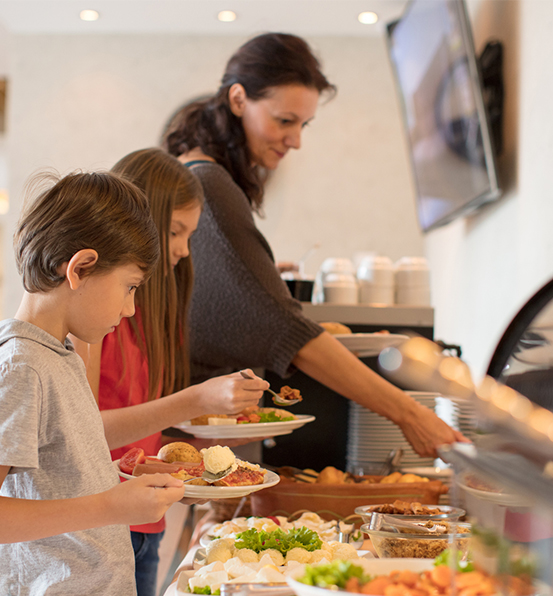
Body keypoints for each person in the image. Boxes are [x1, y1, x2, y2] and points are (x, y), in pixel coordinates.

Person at [163, 32, 468, 459]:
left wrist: (262, 275)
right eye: (284, 120)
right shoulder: (211, 184)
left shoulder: (198, 172)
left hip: (187, 434)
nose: (296, 140)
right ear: (237, 100)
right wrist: (410, 414)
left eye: (302, 125)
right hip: (182, 442)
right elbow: (288, 332)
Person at [70, 148, 269, 596]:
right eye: (176, 231)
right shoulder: (95, 320)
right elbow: (85, 432)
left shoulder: (151, 318)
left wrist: (212, 453)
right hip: (102, 525)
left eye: (189, 235)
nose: (182, 250)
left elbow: (143, 438)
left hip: (145, 522)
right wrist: (196, 399)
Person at [0, 170, 185, 596]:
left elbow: (53, 473)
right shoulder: (22, 366)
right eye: (130, 287)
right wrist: (112, 505)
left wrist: (120, 476)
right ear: (79, 268)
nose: (130, 309)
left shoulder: (59, 354)